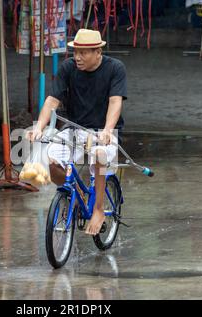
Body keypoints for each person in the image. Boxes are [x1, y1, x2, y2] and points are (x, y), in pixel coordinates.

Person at [27, 29, 127, 236]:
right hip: (74, 128)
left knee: (98, 155)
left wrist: (108, 131)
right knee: (51, 161)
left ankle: (98, 209)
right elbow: (52, 101)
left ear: (98, 52)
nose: (78, 57)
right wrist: (39, 128)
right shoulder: (68, 68)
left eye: (83, 53)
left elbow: (115, 102)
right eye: (75, 52)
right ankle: (76, 194)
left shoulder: (115, 68)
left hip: (103, 131)